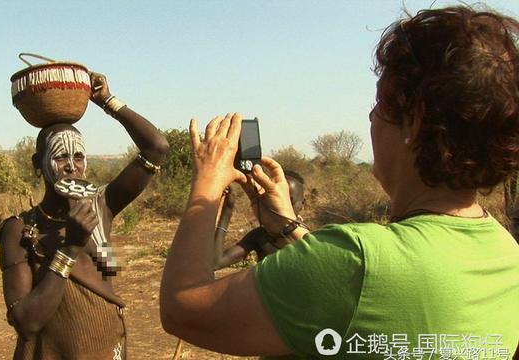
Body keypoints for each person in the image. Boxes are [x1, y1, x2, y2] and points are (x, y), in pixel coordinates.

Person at [160, 6, 519, 359]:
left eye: (379, 104)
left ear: (413, 120)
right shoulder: (506, 255)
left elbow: (183, 309)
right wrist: (287, 225)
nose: (370, 116)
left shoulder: (359, 261)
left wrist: (206, 184)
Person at [0, 72, 169, 359]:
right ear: (39, 164)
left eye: (78, 157)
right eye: (61, 157)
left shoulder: (101, 205)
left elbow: (156, 148)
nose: (71, 167)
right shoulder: (21, 228)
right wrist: (69, 249)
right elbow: (27, 322)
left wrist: (107, 101)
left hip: (107, 347)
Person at [214, 171, 305, 269]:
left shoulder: (313, 238)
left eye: (290, 201)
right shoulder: (262, 235)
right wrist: (228, 208)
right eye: (279, 200)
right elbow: (216, 262)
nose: (283, 206)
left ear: (303, 204)